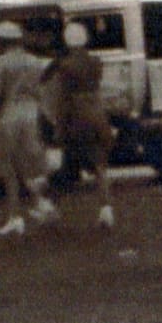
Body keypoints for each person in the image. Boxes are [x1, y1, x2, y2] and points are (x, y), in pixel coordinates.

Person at [44, 20, 118, 231]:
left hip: (77, 116)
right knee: (99, 165)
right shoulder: (96, 62)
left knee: (68, 165)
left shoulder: (65, 66)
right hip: (96, 112)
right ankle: (106, 209)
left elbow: (63, 98)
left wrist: (59, 126)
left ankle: (51, 207)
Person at [0, 21, 56, 237]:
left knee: (9, 167)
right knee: (29, 163)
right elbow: (40, 90)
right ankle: (40, 203)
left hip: (10, 114)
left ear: (1, 40)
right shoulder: (35, 61)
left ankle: (16, 216)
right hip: (31, 113)